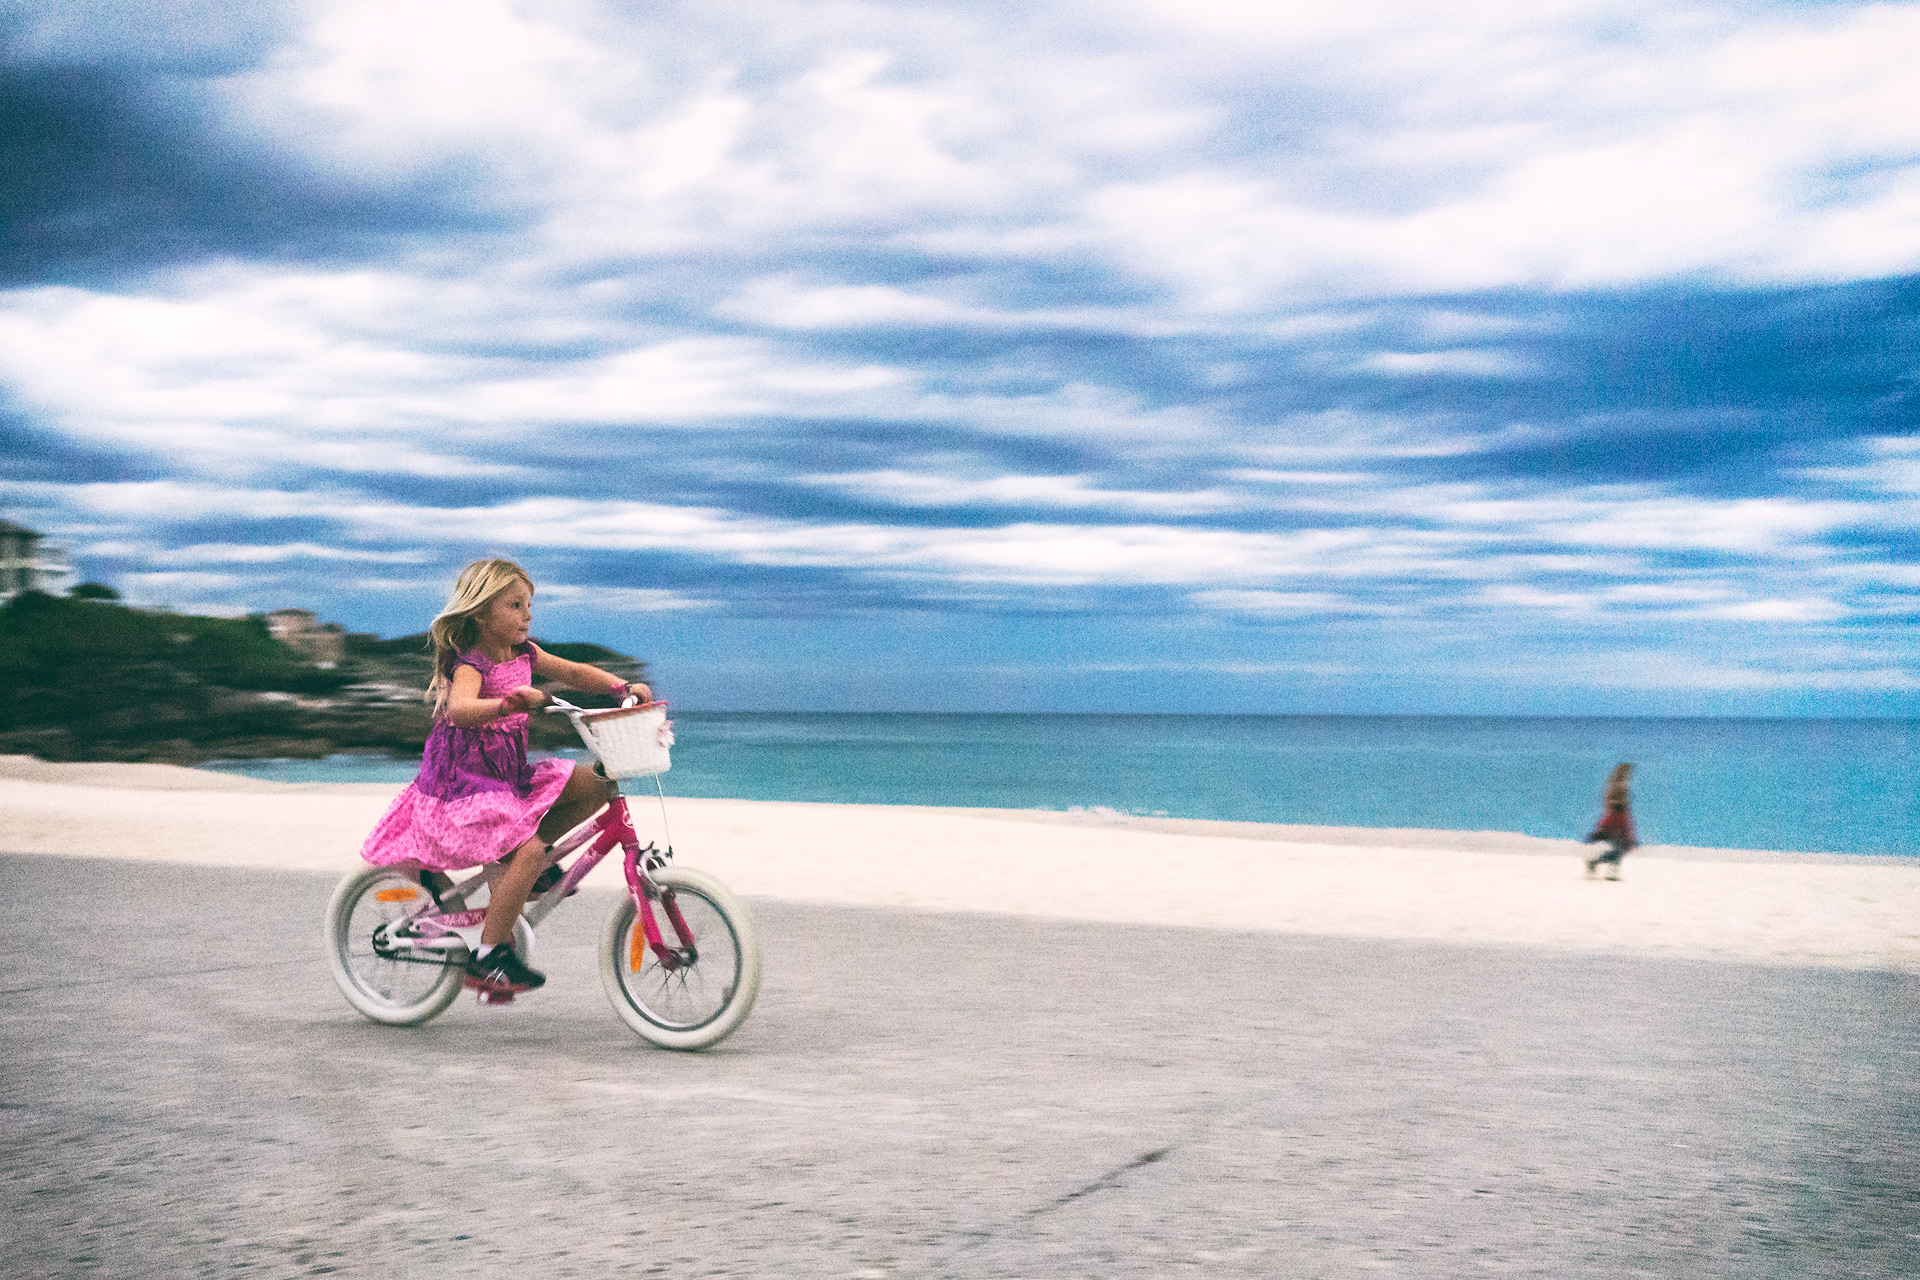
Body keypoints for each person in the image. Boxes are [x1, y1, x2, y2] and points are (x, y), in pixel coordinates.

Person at [360, 558, 649, 998]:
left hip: (506, 777)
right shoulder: (471, 662)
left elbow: (571, 671)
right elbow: (459, 708)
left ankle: (525, 870)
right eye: (515, 605)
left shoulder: (525, 653)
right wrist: (505, 706)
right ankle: (489, 957)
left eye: (528, 604)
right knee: (528, 849)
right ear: (481, 613)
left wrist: (619, 687)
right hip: (465, 786)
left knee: (596, 785)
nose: (527, 614)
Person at [1584, 762, 1637, 881]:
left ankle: (1605, 868)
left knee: (1620, 850)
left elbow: (1618, 814)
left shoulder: (1618, 801)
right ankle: (1598, 864)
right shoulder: (1617, 802)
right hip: (1614, 826)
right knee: (1620, 850)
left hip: (1615, 825)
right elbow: (1616, 814)